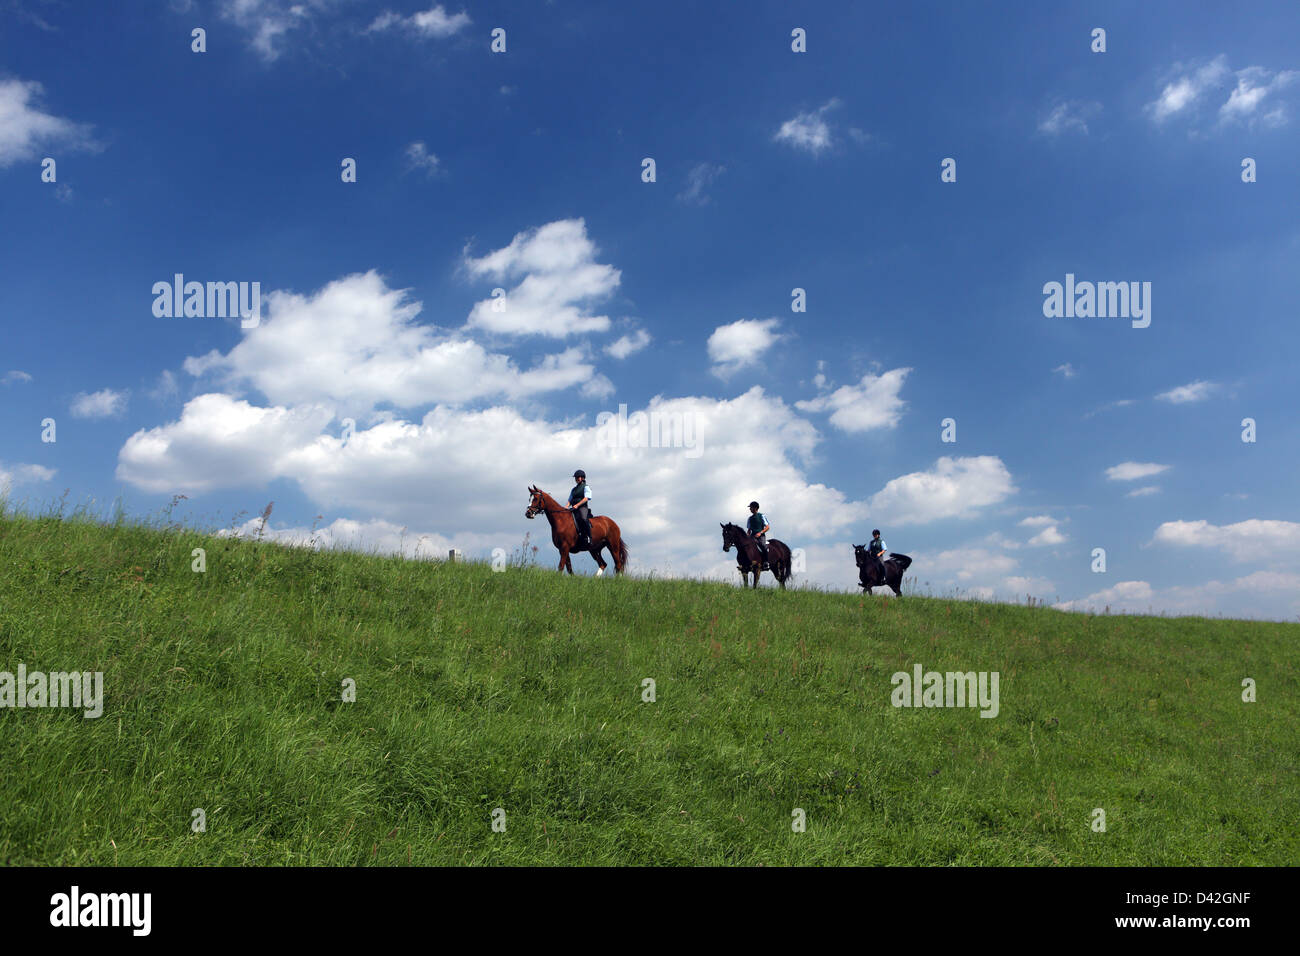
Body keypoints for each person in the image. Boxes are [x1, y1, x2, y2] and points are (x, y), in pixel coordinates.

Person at [568, 469, 593, 549]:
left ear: (582, 478)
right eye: (576, 477)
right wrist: (565, 507)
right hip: (574, 508)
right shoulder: (573, 489)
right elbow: (569, 500)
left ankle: (589, 537)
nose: (577, 479)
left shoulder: (586, 487)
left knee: (583, 518)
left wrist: (577, 505)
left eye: (578, 477)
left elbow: (586, 498)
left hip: (582, 507)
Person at [746, 501, 770, 570]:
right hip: (752, 536)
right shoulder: (750, 518)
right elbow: (749, 530)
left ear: (755, 508)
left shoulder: (761, 516)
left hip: (761, 536)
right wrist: (747, 536)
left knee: (763, 546)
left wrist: (760, 533)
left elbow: (767, 527)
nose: (750, 509)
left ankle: (766, 563)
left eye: (751, 507)